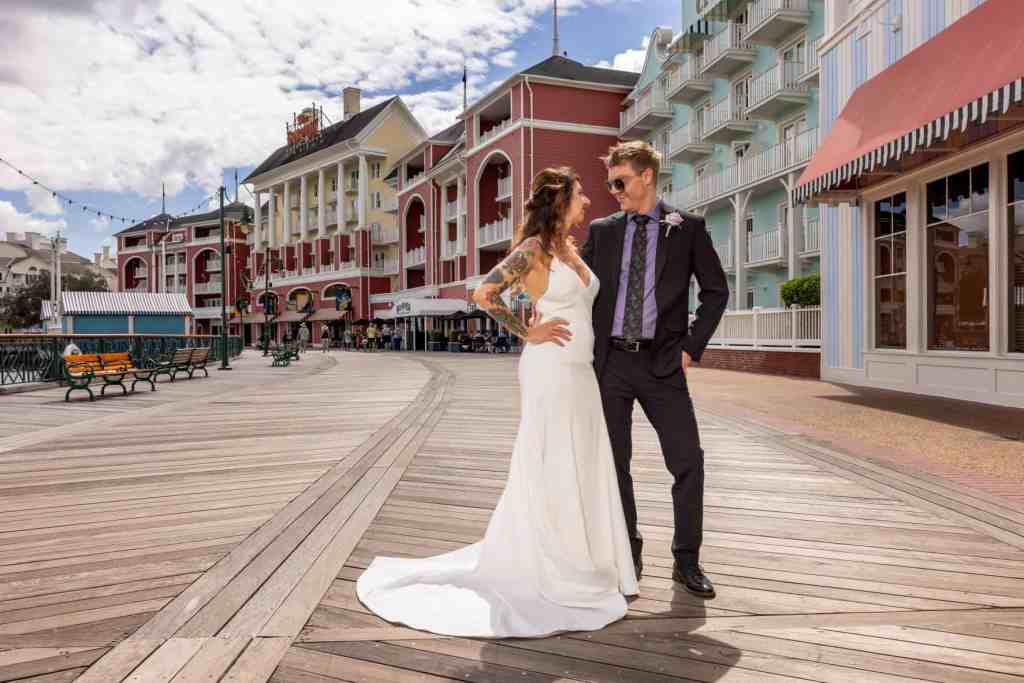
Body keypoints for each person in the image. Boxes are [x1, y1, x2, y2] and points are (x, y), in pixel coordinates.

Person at [357, 167, 636, 638]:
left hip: (580, 372)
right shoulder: (532, 250)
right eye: (580, 194)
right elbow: (484, 293)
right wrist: (528, 330)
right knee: (551, 461)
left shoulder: (569, 249)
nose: (587, 200)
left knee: (582, 461)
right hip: (550, 368)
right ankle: (551, 564)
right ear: (559, 201)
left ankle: (586, 558)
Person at [580, 141, 728, 598]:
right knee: (614, 464)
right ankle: (629, 551)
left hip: (663, 364)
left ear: (646, 176)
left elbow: (715, 291)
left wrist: (690, 347)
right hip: (611, 366)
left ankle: (687, 560)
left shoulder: (687, 228)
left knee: (688, 462)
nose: (613, 191)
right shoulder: (603, 231)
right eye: (609, 184)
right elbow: (581, 289)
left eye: (619, 182)